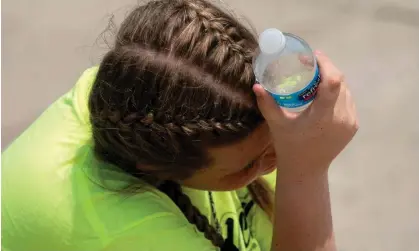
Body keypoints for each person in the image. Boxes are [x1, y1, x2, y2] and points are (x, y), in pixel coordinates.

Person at [1, 0, 358, 250]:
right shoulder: (111, 227)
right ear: (156, 167)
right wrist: (307, 172)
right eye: (250, 165)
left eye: (273, 144)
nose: (279, 160)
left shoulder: (149, 90)